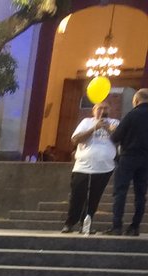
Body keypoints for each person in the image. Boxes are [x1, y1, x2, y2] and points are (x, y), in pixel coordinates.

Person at [62, 101, 118, 233]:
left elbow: (119, 140)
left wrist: (108, 129)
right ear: (93, 111)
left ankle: (85, 225)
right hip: (83, 166)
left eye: (105, 108)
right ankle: (70, 223)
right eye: (99, 108)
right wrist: (94, 128)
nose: (102, 110)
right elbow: (75, 140)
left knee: (94, 197)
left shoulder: (115, 123)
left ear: (109, 111)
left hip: (105, 167)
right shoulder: (86, 122)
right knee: (77, 195)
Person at [108, 88, 148, 236]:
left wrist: (114, 129)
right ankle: (135, 227)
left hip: (128, 157)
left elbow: (115, 138)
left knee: (120, 192)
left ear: (136, 101)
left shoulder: (131, 115)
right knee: (140, 194)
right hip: (146, 159)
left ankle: (117, 226)